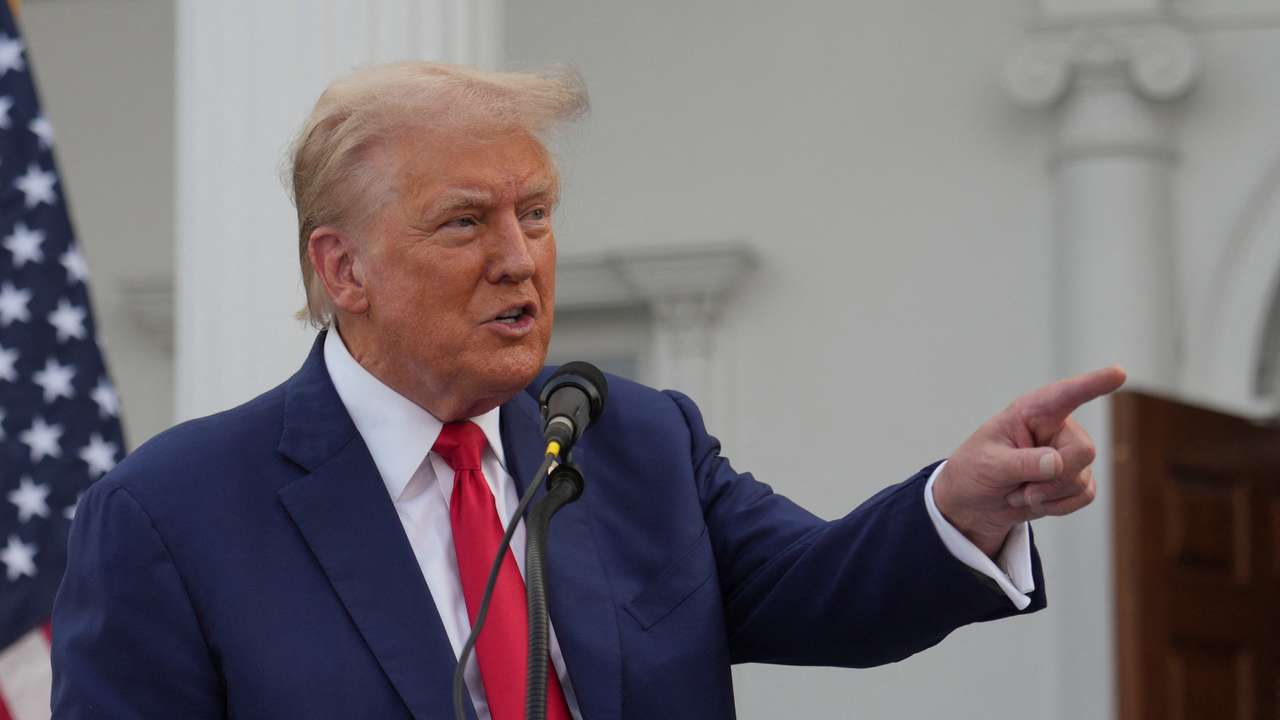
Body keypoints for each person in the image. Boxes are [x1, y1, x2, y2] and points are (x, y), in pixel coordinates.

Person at [50, 62, 1124, 719]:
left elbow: (821, 587)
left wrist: (961, 505)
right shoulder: (170, 517)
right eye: (466, 221)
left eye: (537, 213)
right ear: (343, 269)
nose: (519, 259)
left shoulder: (630, 439)